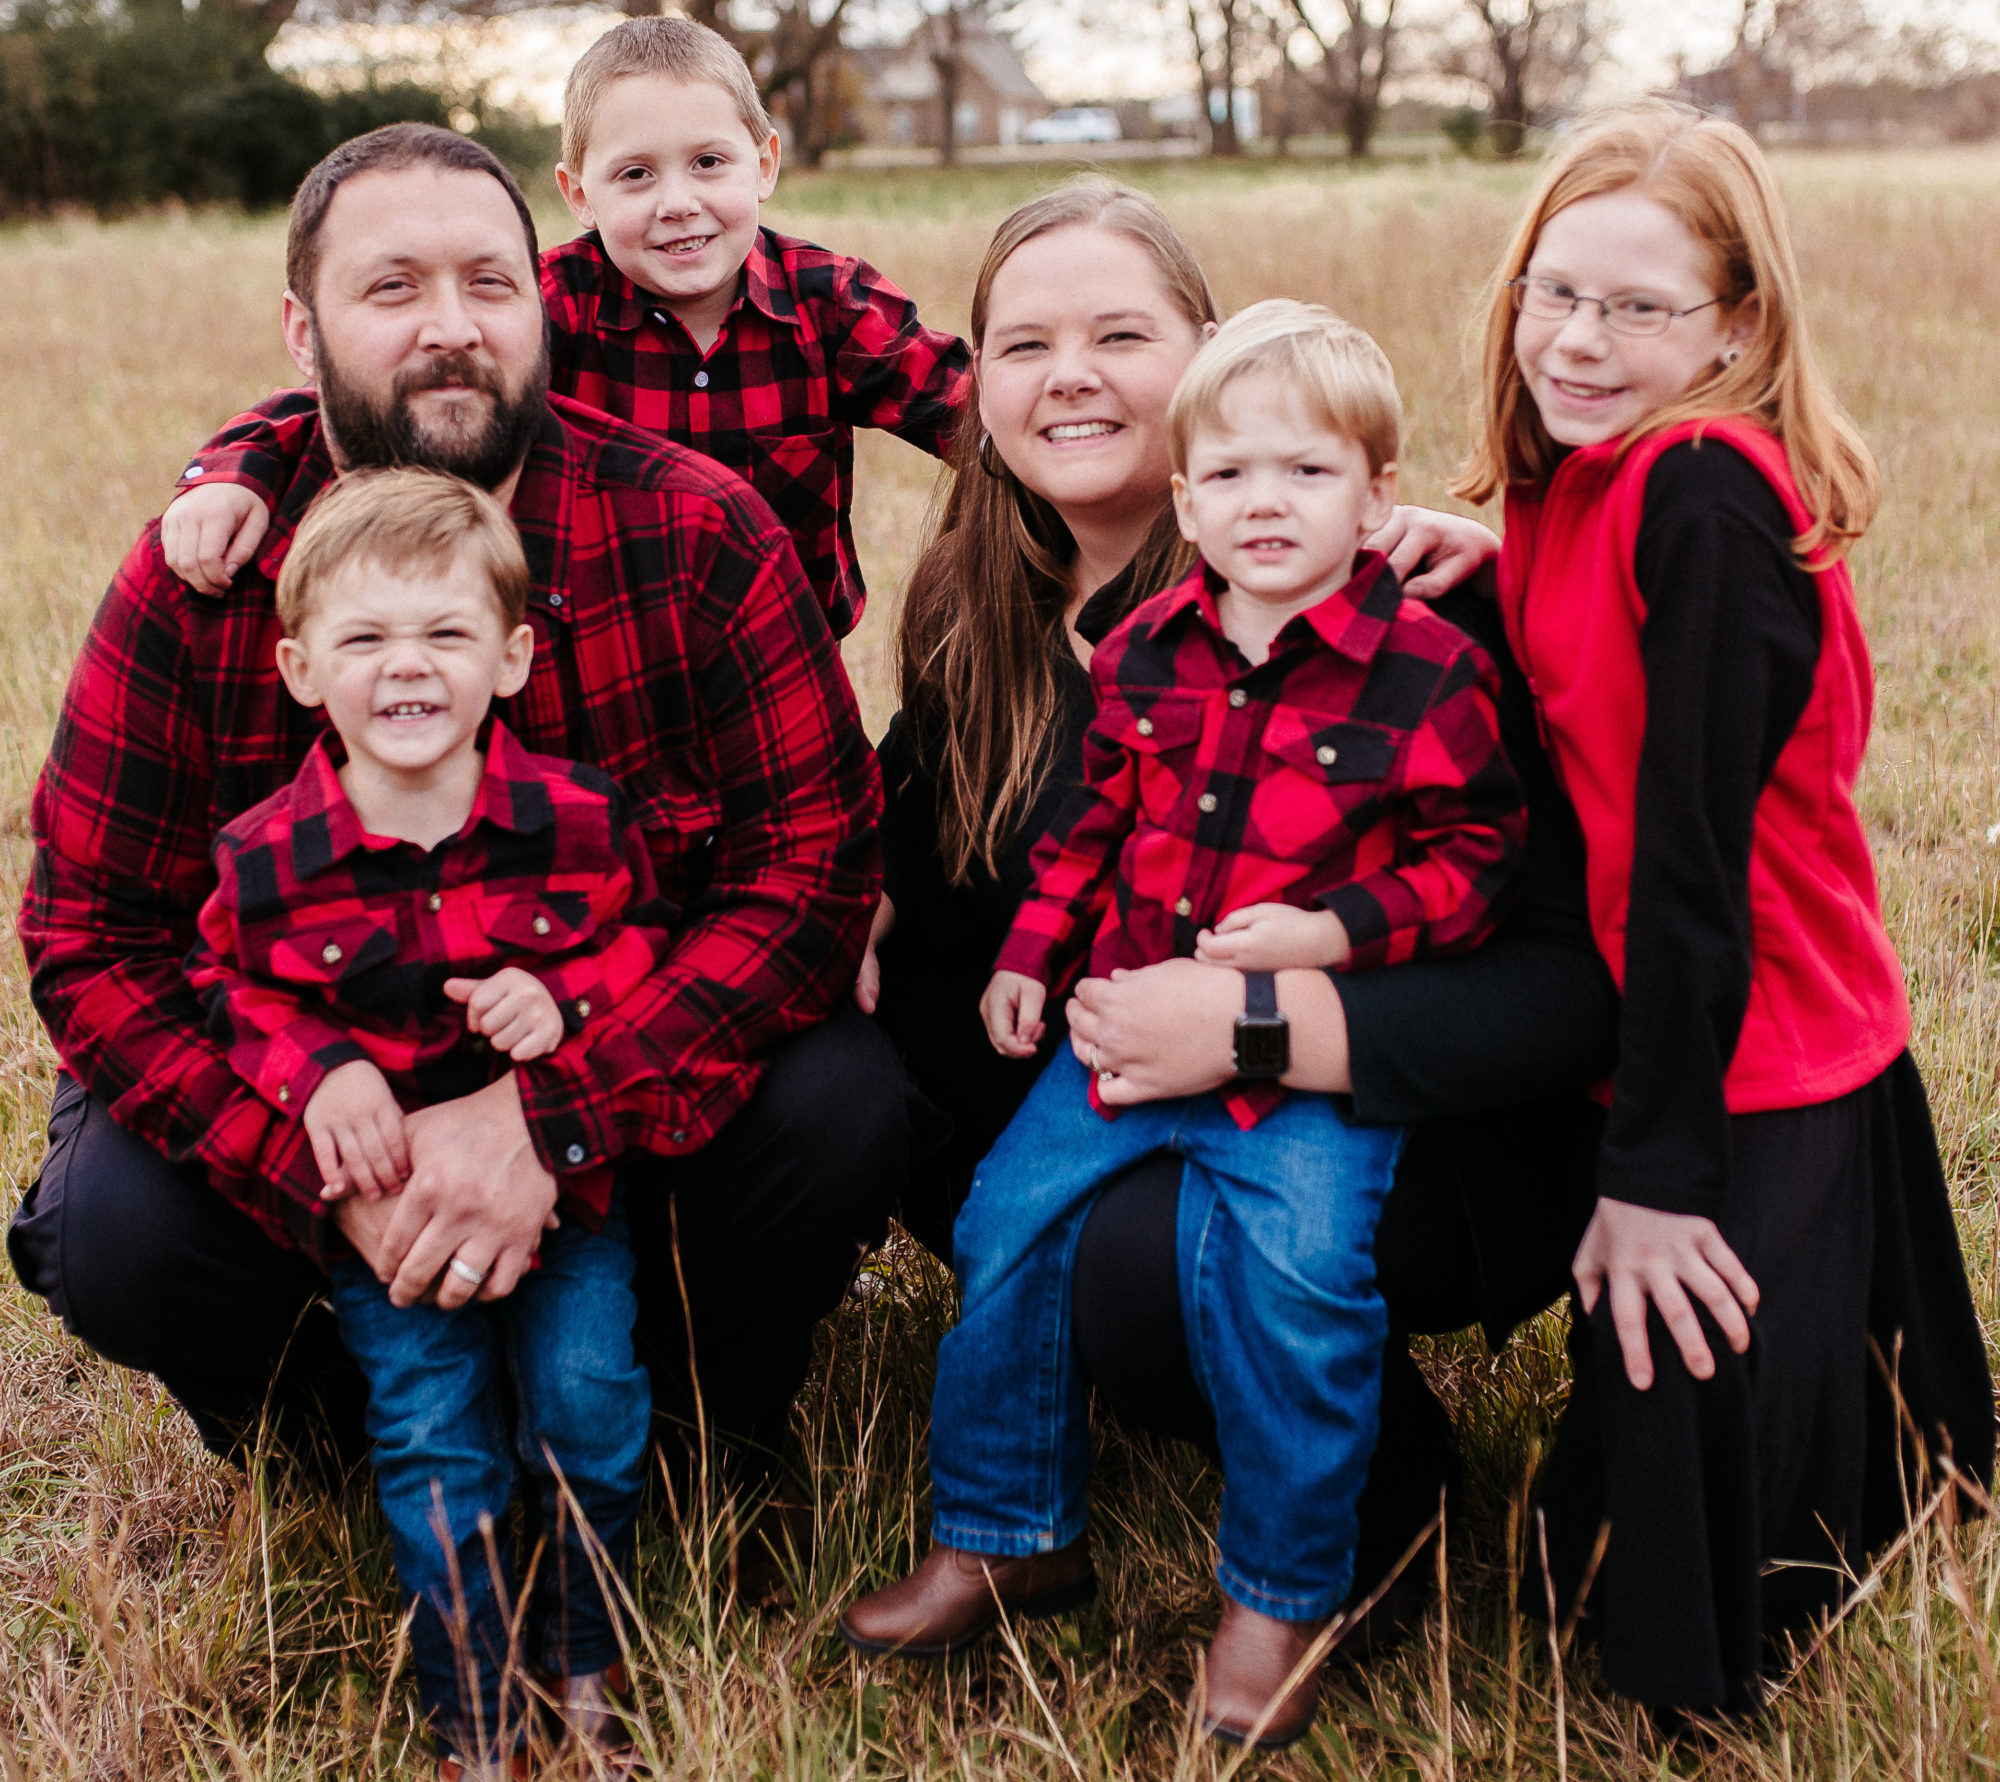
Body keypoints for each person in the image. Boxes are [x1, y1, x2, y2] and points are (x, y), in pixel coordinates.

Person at [11, 126, 900, 1610]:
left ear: (541, 299)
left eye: (490, 279)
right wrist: (321, 1165)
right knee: (111, 1225)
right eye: (392, 285)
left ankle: (697, 1427)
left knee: (840, 1098)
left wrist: (546, 1121)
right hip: (318, 1094)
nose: (449, 323)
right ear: (303, 331)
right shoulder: (208, 577)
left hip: (614, 1094)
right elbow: (94, 935)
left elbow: (809, 875)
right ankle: (346, 1442)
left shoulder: (690, 529)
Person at [858, 177, 1617, 1692]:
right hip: (1131, 1069)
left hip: (1421, 1116)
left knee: (1165, 1257)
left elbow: (1556, 982)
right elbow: (932, 873)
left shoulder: (1410, 613)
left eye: (1120, 333)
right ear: (979, 390)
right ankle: (1010, 1525)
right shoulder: (982, 610)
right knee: (994, 1174)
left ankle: (1360, 1533)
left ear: (1205, 352)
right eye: (1023, 344)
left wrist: (1269, 1011)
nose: (1068, 372)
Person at [1453, 101, 1992, 1714]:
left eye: (1638, 306)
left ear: (1741, 324)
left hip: (1758, 1037)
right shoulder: (1577, 482)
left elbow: (1693, 860)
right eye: (1554, 292)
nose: (1578, 337)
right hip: (1665, 1013)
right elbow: (1579, 669)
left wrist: (1660, 1175)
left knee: (1671, 1624)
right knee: (1589, 1555)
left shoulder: (1701, 494)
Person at [184, 468, 662, 1777]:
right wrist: (319, 1069)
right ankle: (477, 1721)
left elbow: (646, 944)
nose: (409, 668)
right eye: (365, 637)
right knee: (439, 1448)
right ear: (298, 667)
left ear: (509, 657)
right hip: (388, 1213)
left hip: (568, 1198)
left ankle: (583, 1665)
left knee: (590, 1410)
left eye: (447, 634)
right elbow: (219, 986)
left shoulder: (575, 818)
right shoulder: (267, 855)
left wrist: (562, 993)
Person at [158, 13, 968, 641]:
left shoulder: (829, 300)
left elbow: (974, 414)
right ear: (578, 192)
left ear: (764, 162)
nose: (677, 201)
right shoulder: (549, 303)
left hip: (783, 646)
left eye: (709, 163)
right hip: (586, 638)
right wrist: (231, 469)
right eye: (636, 174)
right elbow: (387, 395)